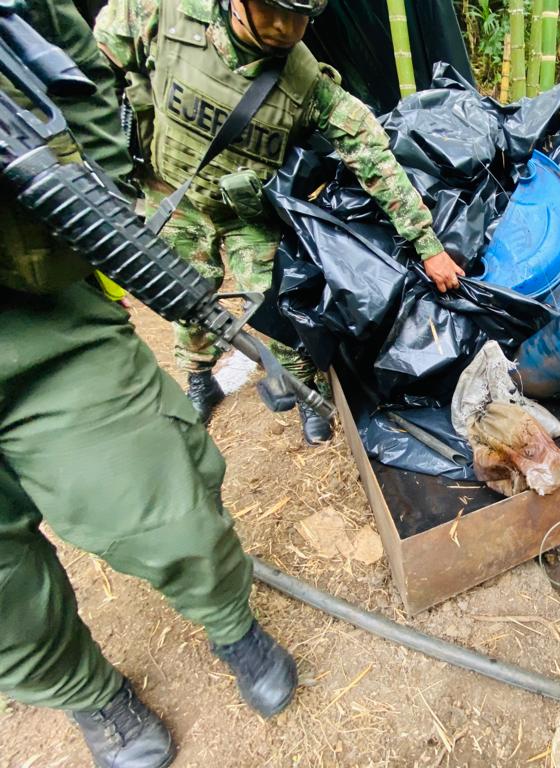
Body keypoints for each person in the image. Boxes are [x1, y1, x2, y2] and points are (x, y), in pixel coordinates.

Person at [0, 3, 298, 767]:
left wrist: (82, 188)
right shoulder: (171, 15)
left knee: (167, 506)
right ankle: (87, 695)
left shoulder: (303, 80)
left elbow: (84, 80)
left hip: (41, 328)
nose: (287, 25)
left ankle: (232, 625)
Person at [94, 0, 465, 444]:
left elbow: (373, 155)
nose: (287, 27)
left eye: (301, 17)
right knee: (188, 294)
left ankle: (302, 389)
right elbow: (90, 75)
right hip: (171, 192)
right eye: (273, 10)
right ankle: (198, 376)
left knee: (281, 304)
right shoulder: (162, 15)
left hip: (245, 210)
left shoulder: (305, 80)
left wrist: (428, 245)